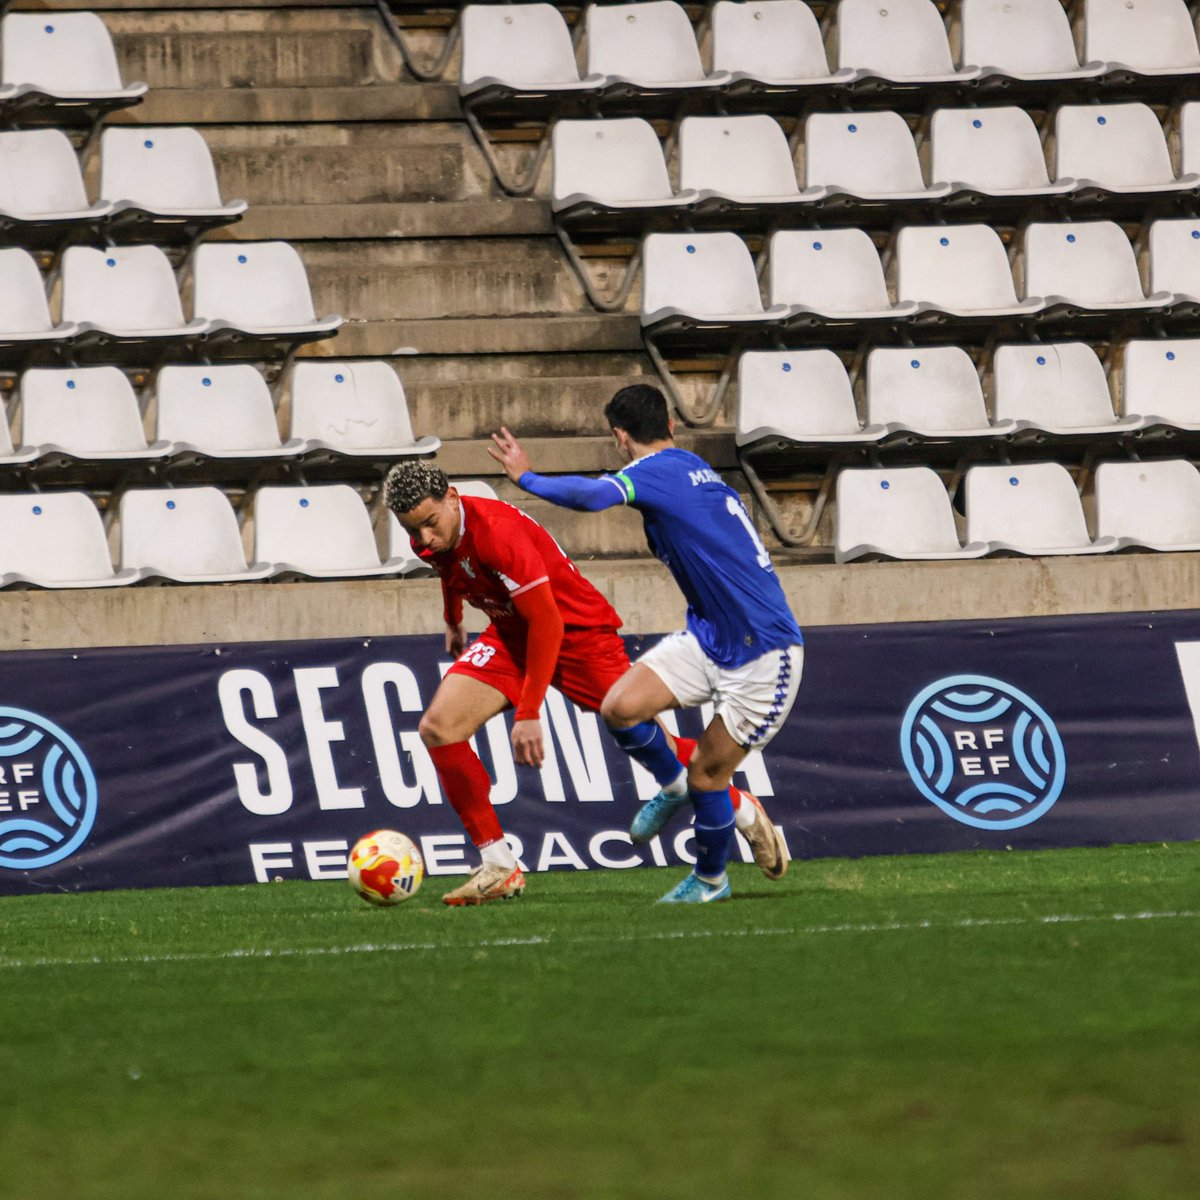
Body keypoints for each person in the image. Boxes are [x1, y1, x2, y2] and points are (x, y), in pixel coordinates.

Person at [384, 460, 786, 907]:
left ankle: (738, 804)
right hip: (510, 634)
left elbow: (549, 624)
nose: (424, 539)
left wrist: (530, 712)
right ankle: (498, 864)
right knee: (439, 728)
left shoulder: (498, 533)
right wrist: (454, 619)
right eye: (413, 530)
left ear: (453, 498)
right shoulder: (433, 534)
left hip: (575, 634)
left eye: (429, 524)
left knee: (651, 740)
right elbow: (449, 566)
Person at [488, 383, 804, 904]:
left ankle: (710, 880)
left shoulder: (656, 473)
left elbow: (593, 497)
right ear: (673, 425)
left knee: (709, 774)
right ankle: (672, 783)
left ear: (619, 436)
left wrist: (525, 476)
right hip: (710, 637)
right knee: (620, 707)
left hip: (764, 655)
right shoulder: (695, 470)